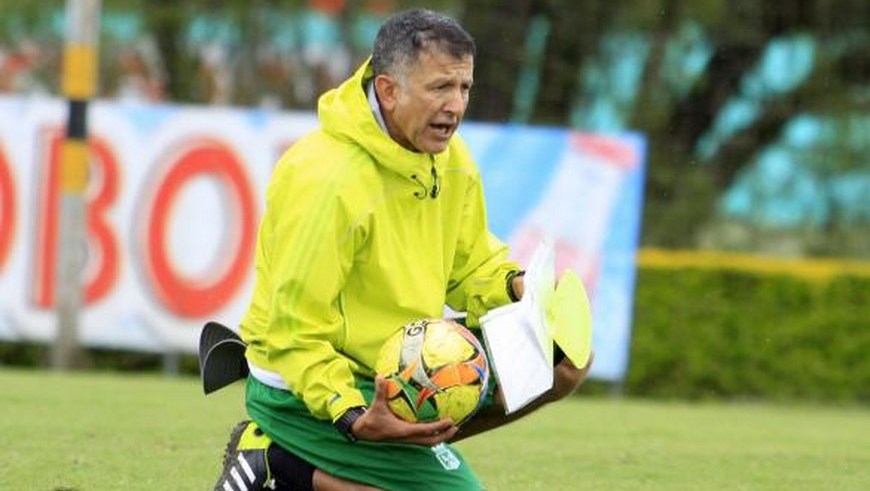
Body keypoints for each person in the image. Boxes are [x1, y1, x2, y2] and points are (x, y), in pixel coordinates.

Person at [212, 8, 592, 491]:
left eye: (464, 88)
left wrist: (515, 287)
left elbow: (469, 260)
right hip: (308, 390)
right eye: (440, 88)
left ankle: (390, 460)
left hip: (401, 367)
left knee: (561, 365)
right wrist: (350, 414)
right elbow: (294, 331)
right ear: (389, 91)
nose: (455, 105)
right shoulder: (327, 178)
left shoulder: (449, 157)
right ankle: (276, 462)